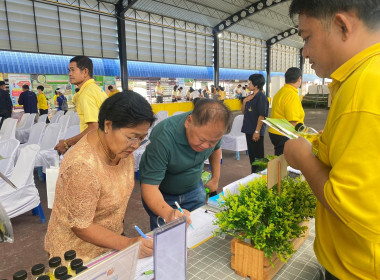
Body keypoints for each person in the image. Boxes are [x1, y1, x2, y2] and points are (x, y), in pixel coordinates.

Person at [284, 1, 380, 279]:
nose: (305, 52)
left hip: (357, 269)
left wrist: (304, 160)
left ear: (342, 25)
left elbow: (348, 203)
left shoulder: (365, 87)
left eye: (306, 37)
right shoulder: (361, 79)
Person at [45, 91, 155, 263]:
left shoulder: (122, 150)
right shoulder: (82, 165)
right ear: (108, 125)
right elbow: (81, 226)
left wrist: (120, 241)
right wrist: (128, 243)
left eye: (141, 138)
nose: (135, 146)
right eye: (132, 137)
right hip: (77, 256)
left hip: (110, 245)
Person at [140, 99, 232, 230]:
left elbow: (216, 149)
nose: (206, 146)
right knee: (167, 236)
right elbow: (150, 188)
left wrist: (215, 179)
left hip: (194, 188)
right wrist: (168, 212)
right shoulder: (163, 137)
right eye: (202, 140)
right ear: (189, 122)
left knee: (197, 230)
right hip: (163, 196)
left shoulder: (214, 130)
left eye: (211, 142)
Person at [55, 56, 108, 155]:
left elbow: (94, 128)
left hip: (98, 147)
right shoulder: (95, 89)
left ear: (85, 72)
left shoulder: (86, 94)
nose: (70, 74)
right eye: (69, 70)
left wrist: (67, 143)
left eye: (73, 70)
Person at [269, 67, 305, 155]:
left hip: (275, 131)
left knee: (279, 160)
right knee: (286, 164)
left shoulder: (280, 92)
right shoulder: (292, 95)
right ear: (299, 79)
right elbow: (292, 120)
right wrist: (301, 137)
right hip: (285, 134)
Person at [241, 74, 269, 173]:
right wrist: (244, 102)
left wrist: (257, 131)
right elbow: (244, 112)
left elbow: (262, 116)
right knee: (252, 156)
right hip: (249, 129)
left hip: (255, 131)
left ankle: (260, 176)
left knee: (258, 157)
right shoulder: (251, 96)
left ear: (256, 85)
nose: (248, 84)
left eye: (250, 82)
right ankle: (254, 174)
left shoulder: (261, 97)